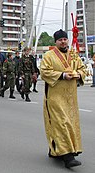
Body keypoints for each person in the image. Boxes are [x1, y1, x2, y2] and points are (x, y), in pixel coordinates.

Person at [40, 29, 86, 168]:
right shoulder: (49, 55)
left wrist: (78, 74)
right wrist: (63, 75)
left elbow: (83, 69)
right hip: (55, 97)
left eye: (65, 39)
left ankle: (57, 150)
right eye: (60, 40)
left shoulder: (74, 55)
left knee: (70, 123)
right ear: (56, 42)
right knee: (61, 123)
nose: (63, 41)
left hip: (71, 98)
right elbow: (44, 72)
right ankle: (68, 157)